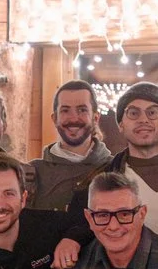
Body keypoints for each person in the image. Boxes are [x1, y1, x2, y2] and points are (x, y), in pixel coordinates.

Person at [67, 82, 158, 261]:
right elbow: (80, 227)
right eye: (133, 113)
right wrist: (70, 240)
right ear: (121, 125)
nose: (143, 120)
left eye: (153, 112)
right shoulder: (104, 177)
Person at [26, 78, 111, 212]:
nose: (73, 118)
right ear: (54, 118)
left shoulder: (115, 169)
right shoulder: (31, 173)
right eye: (65, 110)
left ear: (95, 118)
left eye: (82, 110)